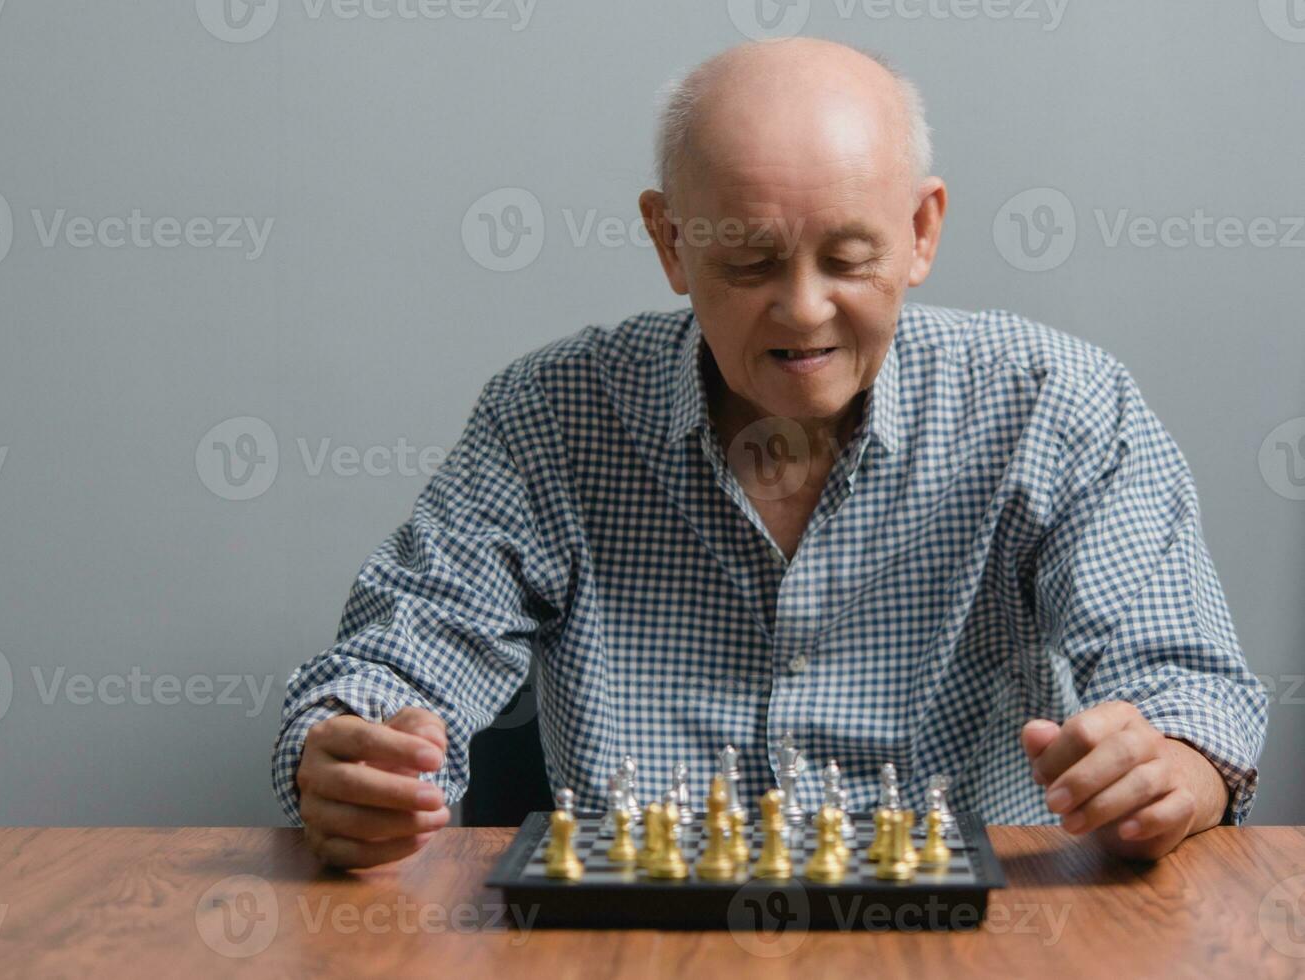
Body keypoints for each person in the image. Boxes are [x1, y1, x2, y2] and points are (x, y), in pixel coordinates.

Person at [272, 38, 1267, 869]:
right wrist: (349, 760)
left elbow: (1192, 690)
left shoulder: (1057, 404)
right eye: (748, 260)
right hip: (632, 940)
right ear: (669, 242)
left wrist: (1173, 764)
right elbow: (392, 669)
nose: (801, 308)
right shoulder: (551, 416)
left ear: (922, 231)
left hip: (979, 941)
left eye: (847, 256)